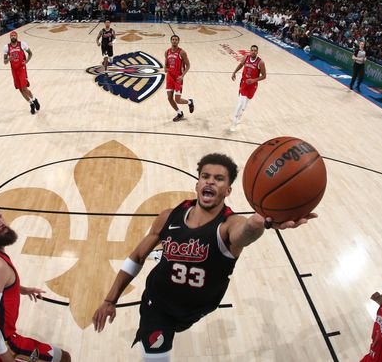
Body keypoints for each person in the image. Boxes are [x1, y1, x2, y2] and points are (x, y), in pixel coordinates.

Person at [92, 153, 316, 361]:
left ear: (228, 190)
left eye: (219, 179)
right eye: (205, 176)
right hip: (158, 305)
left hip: (197, 308)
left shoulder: (229, 226)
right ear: (197, 183)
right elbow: (138, 256)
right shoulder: (169, 216)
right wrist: (110, 300)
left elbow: (246, 232)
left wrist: (261, 221)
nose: (210, 182)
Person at [0, 205, 71, 362]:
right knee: (63, 358)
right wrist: (7, 358)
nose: (1, 222)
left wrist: (20, 289)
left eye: (0, 216)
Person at [3, 31, 40, 115]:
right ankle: (31, 104)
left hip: (21, 68)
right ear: (10, 37)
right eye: (11, 36)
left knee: (24, 88)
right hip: (14, 70)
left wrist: (26, 61)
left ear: (17, 36)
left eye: (14, 35)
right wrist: (9, 59)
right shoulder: (6, 47)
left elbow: (30, 53)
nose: (13, 37)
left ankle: (34, 100)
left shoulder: (22, 44)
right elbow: (4, 62)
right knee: (20, 89)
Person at [230, 44, 266, 130]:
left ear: (257, 52)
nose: (253, 52)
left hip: (253, 85)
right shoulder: (246, 57)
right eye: (252, 50)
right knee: (240, 102)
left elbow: (264, 76)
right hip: (244, 83)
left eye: (255, 50)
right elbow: (240, 65)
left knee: (244, 105)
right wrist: (234, 72)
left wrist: (254, 80)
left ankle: (239, 117)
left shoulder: (260, 62)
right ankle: (234, 122)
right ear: (250, 51)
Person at [164, 35, 194, 122]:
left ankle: (190, 102)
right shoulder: (167, 52)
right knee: (169, 98)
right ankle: (179, 113)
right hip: (169, 77)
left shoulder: (182, 53)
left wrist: (182, 76)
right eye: (173, 39)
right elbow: (166, 64)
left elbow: (188, 65)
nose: (174, 41)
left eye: (176, 40)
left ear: (178, 41)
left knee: (178, 100)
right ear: (170, 41)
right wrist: (165, 68)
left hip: (178, 78)